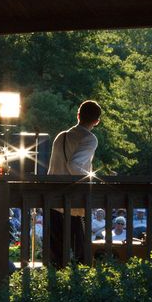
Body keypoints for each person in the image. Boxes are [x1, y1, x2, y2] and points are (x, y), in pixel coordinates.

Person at [47, 100, 102, 266]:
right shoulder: (90, 139)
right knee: (80, 250)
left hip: (54, 199)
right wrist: (92, 180)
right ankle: (79, 286)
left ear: (78, 115)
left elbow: (52, 169)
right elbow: (74, 165)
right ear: (97, 121)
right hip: (74, 202)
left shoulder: (60, 137)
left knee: (56, 251)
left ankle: (55, 286)